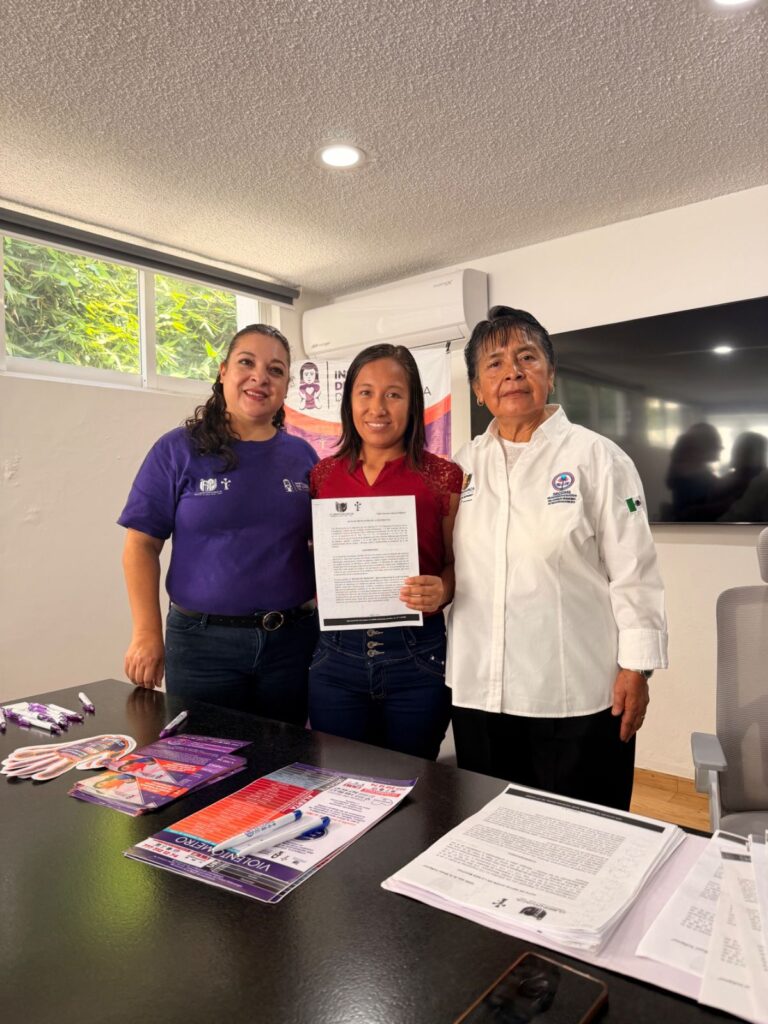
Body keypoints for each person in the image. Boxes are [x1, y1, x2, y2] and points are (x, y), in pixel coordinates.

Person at [447, 306, 668, 810]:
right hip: (480, 691)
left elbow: (635, 572)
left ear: (550, 374)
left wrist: (638, 668)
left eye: (527, 357)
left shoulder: (598, 458)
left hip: (576, 695)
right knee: (492, 832)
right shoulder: (460, 466)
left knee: (584, 836)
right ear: (478, 390)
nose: (512, 373)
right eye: (495, 364)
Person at [118, 324, 319, 725]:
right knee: (201, 773)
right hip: (201, 647)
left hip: (291, 645)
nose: (260, 377)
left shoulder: (302, 456)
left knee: (283, 774)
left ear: (285, 387)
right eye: (247, 362)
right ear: (224, 371)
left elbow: (323, 544)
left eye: (275, 370)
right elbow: (141, 546)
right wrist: (145, 633)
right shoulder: (177, 450)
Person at [309, 343, 462, 760]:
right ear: (349, 401)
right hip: (336, 659)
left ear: (413, 404)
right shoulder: (322, 475)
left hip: (417, 657)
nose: (378, 407)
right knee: (341, 785)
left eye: (393, 394)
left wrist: (442, 590)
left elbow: (456, 562)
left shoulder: (444, 475)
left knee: (414, 786)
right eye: (365, 392)